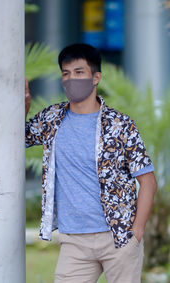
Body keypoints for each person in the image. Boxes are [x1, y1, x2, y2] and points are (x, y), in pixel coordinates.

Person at [25, 43, 157, 283]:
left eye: (78, 72)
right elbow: (17, 138)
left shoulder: (120, 125)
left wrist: (136, 232)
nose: (70, 79)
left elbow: (147, 182)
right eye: (65, 73)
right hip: (74, 242)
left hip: (118, 237)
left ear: (96, 77)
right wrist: (21, 108)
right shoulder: (51, 119)